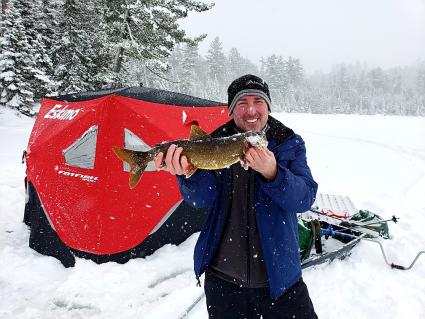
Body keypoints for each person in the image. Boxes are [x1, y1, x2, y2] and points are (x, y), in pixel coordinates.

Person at [154, 74, 318, 319]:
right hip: (224, 280)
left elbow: (304, 198)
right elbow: (202, 199)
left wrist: (273, 174)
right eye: (242, 103)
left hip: (281, 278)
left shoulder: (288, 143)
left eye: (257, 101)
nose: (251, 110)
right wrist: (188, 175)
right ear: (231, 110)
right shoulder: (215, 143)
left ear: (268, 107)